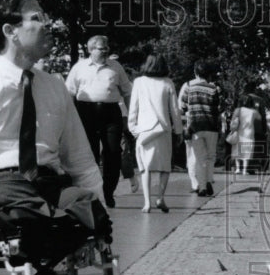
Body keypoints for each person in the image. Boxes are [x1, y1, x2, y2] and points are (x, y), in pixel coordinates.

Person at [0, 0, 111, 271]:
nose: (48, 24)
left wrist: (99, 212)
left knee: (88, 209)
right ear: (10, 31)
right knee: (32, 215)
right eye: (37, 18)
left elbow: (80, 158)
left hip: (48, 183)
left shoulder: (55, 87)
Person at [65, 35, 133, 207]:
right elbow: (69, 93)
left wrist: (130, 114)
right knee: (89, 153)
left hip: (111, 113)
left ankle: (108, 191)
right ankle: (92, 193)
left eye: (106, 47)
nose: (105, 50)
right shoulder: (79, 67)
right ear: (91, 49)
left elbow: (127, 92)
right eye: (101, 48)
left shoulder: (116, 67)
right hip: (85, 111)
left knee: (113, 152)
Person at [127, 53, 183, 212]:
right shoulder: (168, 83)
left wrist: (133, 128)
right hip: (163, 129)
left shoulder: (138, 82)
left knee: (145, 167)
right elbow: (174, 110)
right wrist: (178, 130)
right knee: (165, 166)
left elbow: (134, 107)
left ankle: (147, 203)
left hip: (144, 130)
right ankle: (160, 198)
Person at [178, 60, 222, 196]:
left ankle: (202, 187)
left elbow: (181, 107)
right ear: (208, 73)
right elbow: (219, 108)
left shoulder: (188, 86)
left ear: (195, 72)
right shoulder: (214, 88)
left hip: (195, 126)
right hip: (211, 126)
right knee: (211, 156)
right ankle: (208, 180)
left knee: (199, 158)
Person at [117, 66, 140, 195]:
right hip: (102, 117)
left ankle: (130, 176)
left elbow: (132, 103)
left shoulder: (127, 85)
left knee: (123, 148)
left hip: (123, 117)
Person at [228, 95, 261, 175]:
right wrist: (257, 107)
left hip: (239, 133)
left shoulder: (238, 110)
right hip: (249, 133)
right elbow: (259, 118)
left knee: (237, 151)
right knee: (247, 152)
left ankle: (238, 169)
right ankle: (244, 170)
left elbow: (233, 121)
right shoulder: (253, 111)